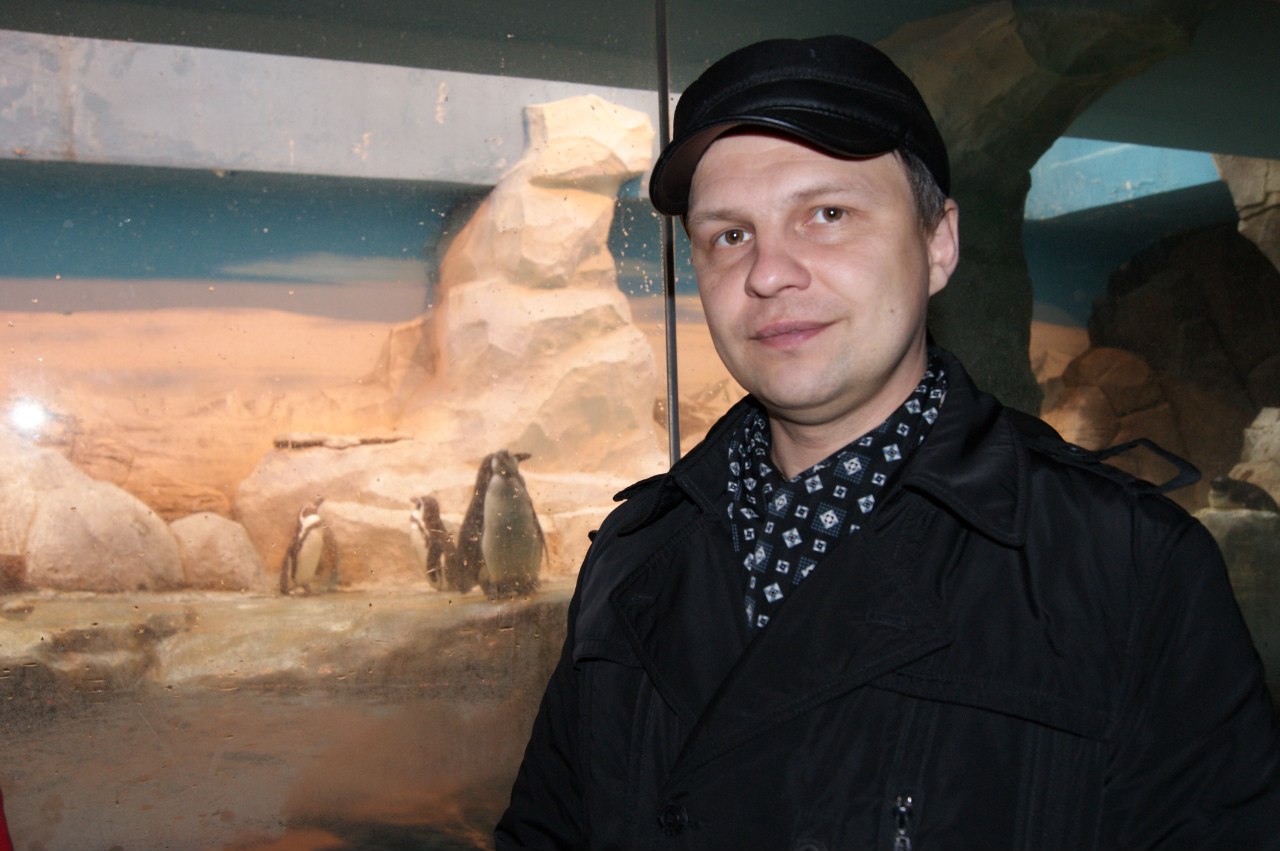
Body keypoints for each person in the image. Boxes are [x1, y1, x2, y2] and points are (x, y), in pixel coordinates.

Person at [494, 34, 1280, 850]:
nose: (768, 272)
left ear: (939, 244)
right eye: (729, 235)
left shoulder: (1129, 568)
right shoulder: (632, 557)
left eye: (827, 215)